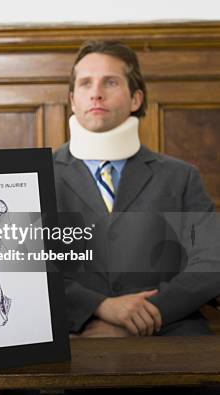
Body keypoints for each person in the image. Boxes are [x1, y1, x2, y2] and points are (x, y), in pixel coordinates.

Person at [54, 40, 219, 338]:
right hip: (73, 336)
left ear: (135, 99)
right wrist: (100, 308)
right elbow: (24, 270)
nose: (96, 92)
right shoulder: (36, 177)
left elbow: (211, 262)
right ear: (73, 100)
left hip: (169, 333)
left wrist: (146, 315)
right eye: (85, 83)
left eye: (111, 82)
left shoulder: (181, 177)